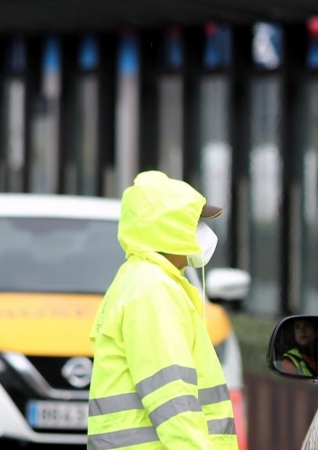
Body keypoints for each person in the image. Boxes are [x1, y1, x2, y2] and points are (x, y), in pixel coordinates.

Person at [88, 171, 238, 449]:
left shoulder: (141, 281)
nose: (203, 233)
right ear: (167, 228)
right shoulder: (152, 288)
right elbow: (172, 399)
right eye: (195, 223)